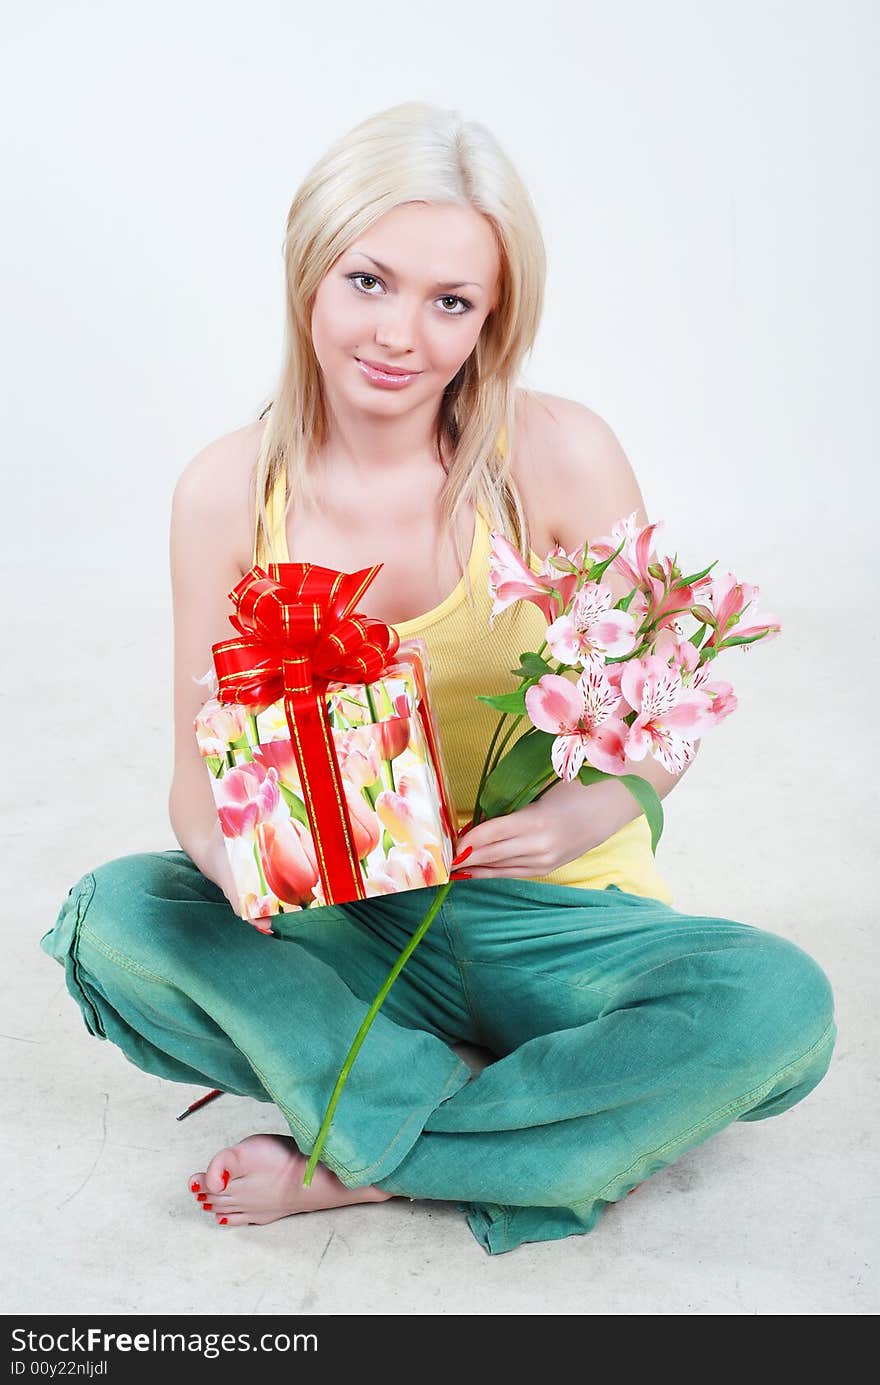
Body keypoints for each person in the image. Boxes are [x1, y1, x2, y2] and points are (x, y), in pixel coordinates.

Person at [39, 100, 837, 1257]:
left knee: (779, 1008)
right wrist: (232, 862)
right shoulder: (225, 492)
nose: (400, 333)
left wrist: (596, 805)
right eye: (370, 280)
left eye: (449, 301)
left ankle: (361, 1141)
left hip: (559, 923)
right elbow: (192, 779)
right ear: (310, 269)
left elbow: (661, 697)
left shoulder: (556, 453)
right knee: (115, 917)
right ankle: (491, 1117)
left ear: (490, 321)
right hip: (351, 924)